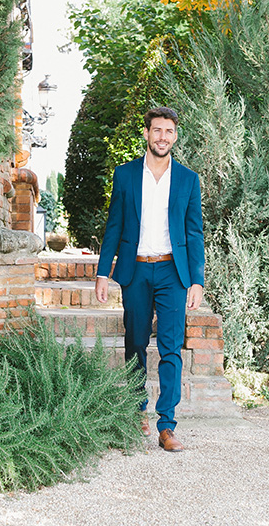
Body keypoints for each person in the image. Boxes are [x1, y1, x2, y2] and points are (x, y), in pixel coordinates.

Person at [95, 106, 205, 452]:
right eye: (157, 130)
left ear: (175, 135)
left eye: (169, 131)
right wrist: (102, 272)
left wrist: (197, 280)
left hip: (173, 272)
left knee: (171, 348)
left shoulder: (188, 179)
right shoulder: (125, 175)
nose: (162, 137)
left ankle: (167, 425)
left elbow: (195, 232)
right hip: (136, 270)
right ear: (146, 133)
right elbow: (114, 225)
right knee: (135, 343)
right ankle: (135, 410)